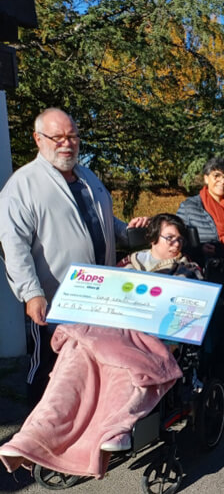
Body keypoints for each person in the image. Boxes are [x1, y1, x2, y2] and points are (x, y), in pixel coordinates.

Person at [0, 214, 194, 478]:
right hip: (111, 332)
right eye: (170, 237)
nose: (176, 244)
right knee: (75, 353)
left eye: (180, 239)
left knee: (127, 362)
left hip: (150, 339)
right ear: (152, 238)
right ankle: (35, 434)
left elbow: (187, 318)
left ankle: (115, 428)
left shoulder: (188, 270)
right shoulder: (128, 265)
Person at [0, 108, 147, 407]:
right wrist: (31, 294)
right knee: (49, 371)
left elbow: (101, 220)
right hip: (56, 301)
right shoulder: (24, 185)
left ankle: (79, 433)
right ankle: (33, 441)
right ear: (38, 139)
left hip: (99, 295)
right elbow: (12, 244)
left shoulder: (87, 177)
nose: (67, 143)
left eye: (73, 136)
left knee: (91, 367)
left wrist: (126, 232)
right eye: (58, 137)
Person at [177, 157, 224, 407]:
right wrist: (199, 248)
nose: (222, 182)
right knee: (204, 339)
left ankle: (219, 391)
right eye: (217, 176)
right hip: (202, 280)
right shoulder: (190, 206)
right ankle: (197, 386)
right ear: (206, 178)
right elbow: (178, 242)